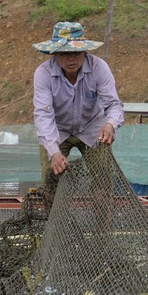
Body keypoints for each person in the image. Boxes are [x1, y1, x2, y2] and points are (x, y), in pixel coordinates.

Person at [32, 21, 124, 184]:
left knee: (103, 178)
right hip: (58, 130)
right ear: (55, 54)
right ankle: (52, 208)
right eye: (64, 53)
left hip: (92, 127)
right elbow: (43, 115)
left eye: (76, 52)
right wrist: (54, 153)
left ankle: (102, 209)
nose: (71, 58)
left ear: (85, 51)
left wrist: (110, 125)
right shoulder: (43, 73)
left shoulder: (99, 68)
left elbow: (114, 104)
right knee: (50, 179)